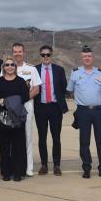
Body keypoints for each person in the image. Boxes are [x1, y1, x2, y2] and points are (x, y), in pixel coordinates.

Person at [68, 47, 101, 179]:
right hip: (83, 111)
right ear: (82, 58)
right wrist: (82, 101)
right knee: (84, 141)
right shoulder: (75, 73)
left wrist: (94, 100)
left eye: (89, 56)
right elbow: (70, 91)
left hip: (98, 111)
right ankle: (86, 168)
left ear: (93, 58)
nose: (87, 58)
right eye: (85, 56)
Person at [0, 57, 30, 182]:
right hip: (2, 117)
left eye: (12, 65)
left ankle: (18, 172)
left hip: (17, 117)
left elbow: (25, 97)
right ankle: (6, 172)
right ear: (3, 67)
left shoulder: (20, 81)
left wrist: (7, 101)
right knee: (4, 146)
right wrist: (0, 101)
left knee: (18, 146)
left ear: (15, 67)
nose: (10, 67)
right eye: (7, 65)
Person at [34, 45, 67, 175]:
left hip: (55, 107)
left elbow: (63, 87)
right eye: (43, 55)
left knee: (56, 137)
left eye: (48, 54)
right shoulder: (35, 70)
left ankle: (57, 165)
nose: (45, 57)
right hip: (41, 107)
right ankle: (44, 165)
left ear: (51, 55)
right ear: (40, 56)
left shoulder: (59, 70)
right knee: (42, 138)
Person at [12, 43, 42, 177]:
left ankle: (29, 167)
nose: (17, 54)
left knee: (27, 136)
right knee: (14, 137)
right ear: (12, 53)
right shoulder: (8, 67)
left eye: (20, 51)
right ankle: (15, 165)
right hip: (12, 107)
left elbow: (36, 89)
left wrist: (23, 99)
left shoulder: (31, 69)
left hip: (27, 105)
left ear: (24, 53)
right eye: (15, 51)